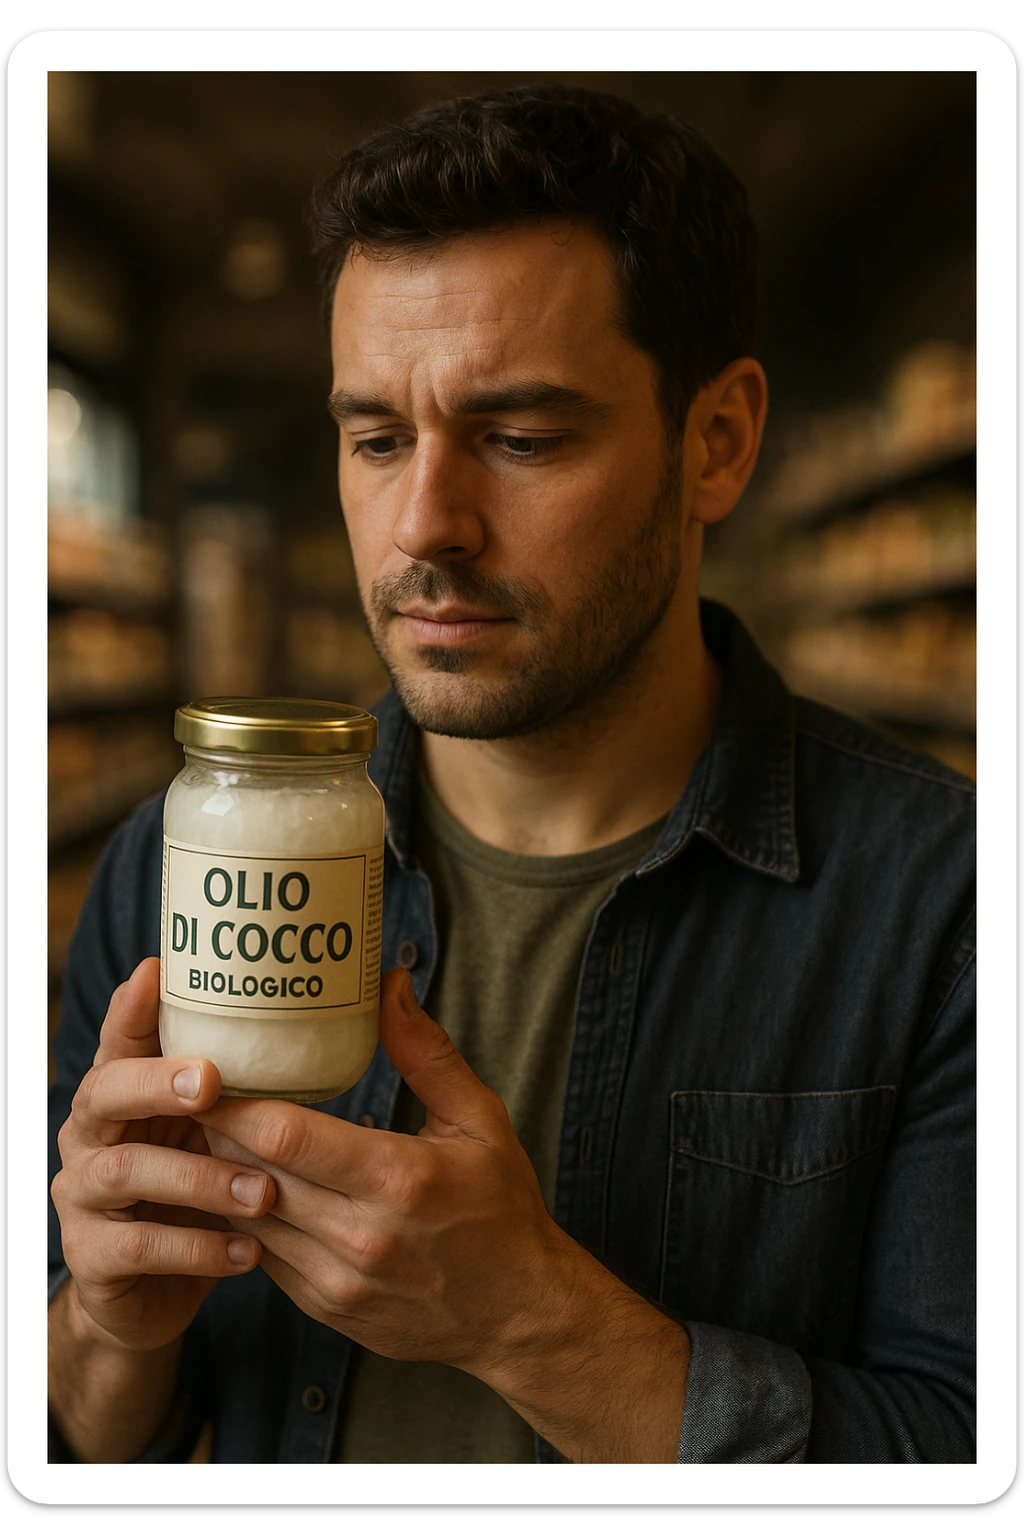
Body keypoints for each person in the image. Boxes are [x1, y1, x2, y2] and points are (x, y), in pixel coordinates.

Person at [47, 84, 975, 1465]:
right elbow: (71, 1434)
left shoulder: (950, 907)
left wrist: (529, 1322)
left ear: (715, 441)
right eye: (375, 439)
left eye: (523, 438)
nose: (424, 523)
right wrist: (111, 1333)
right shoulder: (179, 863)